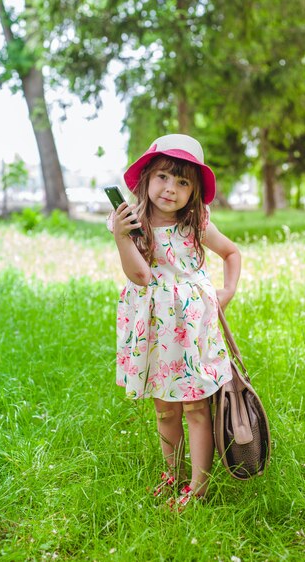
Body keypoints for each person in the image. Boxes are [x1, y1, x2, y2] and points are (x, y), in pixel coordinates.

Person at [108, 134, 241, 510]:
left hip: (190, 323)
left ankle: (198, 488)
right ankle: (173, 477)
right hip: (152, 324)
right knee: (165, 407)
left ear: (194, 190)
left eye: (183, 182)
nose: (171, 189)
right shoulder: (132, 223)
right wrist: (122, 238)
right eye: (164, 177)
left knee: (196, 406)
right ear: (146, 178)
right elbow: (140, 276)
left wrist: (225, 294)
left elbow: (231, 253)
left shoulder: (194, 222)